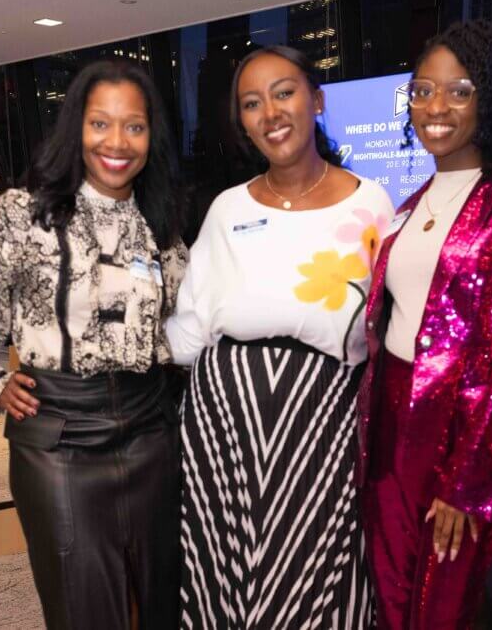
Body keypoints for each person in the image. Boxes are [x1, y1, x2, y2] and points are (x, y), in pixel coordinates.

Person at [0, 60, 187, 630]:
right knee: (84, 607)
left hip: (151, 433)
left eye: (133, 127)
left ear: (150, 136)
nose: (117, 142)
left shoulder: (157, 221)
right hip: (59, 439)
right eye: (100, 124)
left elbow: (182, 323)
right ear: (76, 130)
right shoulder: (25, 215)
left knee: (159, 603)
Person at [167, 45, 394, 629]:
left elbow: (383, 325)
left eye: (284, 92)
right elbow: (190, 325)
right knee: (224, 569)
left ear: (316, 101)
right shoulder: (225, 209)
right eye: (251, 102)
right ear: (242, 122)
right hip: (222, 425)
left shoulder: (371, 204)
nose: (270, 112)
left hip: (324, 422)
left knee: (319, 568)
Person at [357, 21, 492, 629]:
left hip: (462, 434)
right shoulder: (407, 206)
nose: (436, 107)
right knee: (392, 593)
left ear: (488, 99)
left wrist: (470, 479)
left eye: (458, 90)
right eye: (424, 90)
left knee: (445, 603)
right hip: (390, 424)